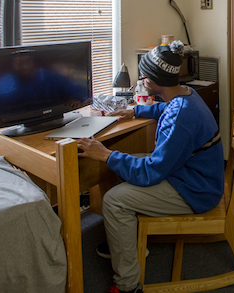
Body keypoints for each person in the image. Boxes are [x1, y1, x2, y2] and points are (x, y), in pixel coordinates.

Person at [76, 40, 223, 293]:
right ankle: (130, 245)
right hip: (193, 173)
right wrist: (137, 112)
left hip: (197, 189)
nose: (141, 80)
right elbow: (166, 107)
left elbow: (151, 172)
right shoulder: (185, 94)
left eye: (144, 77)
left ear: (155, 81)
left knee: (114, 199)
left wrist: (106, 155)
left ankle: (128, 286)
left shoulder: (180, 119)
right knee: (126, 163)